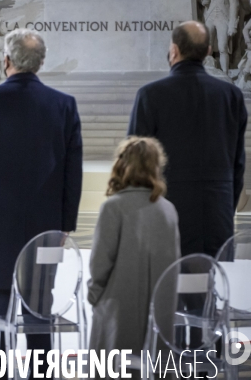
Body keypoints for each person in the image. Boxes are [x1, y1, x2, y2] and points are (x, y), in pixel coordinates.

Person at [0, 28, 82, 377]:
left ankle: (0, 374)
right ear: (41, 62)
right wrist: (65, 226)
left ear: (5, 60)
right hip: (47, 228)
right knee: (40, 308)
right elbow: (73, 172)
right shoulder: (64, 105)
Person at [128, 20, 247, 258]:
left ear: (174, 50)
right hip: (218, 214)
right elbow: (238, 164)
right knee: (214, 287)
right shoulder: (231, 96)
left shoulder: (150, 95)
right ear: (208, 51)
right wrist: (224, 206)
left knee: (168, 290)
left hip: (165, 214)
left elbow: (134, 166)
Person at [88, 137, 180, 375]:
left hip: (118, 313)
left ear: (122, 165)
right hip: (160, 315)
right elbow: (173, 266)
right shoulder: (168, 209)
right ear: (156, 167)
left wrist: (94, 295)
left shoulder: (113, 207)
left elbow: (100, 264)